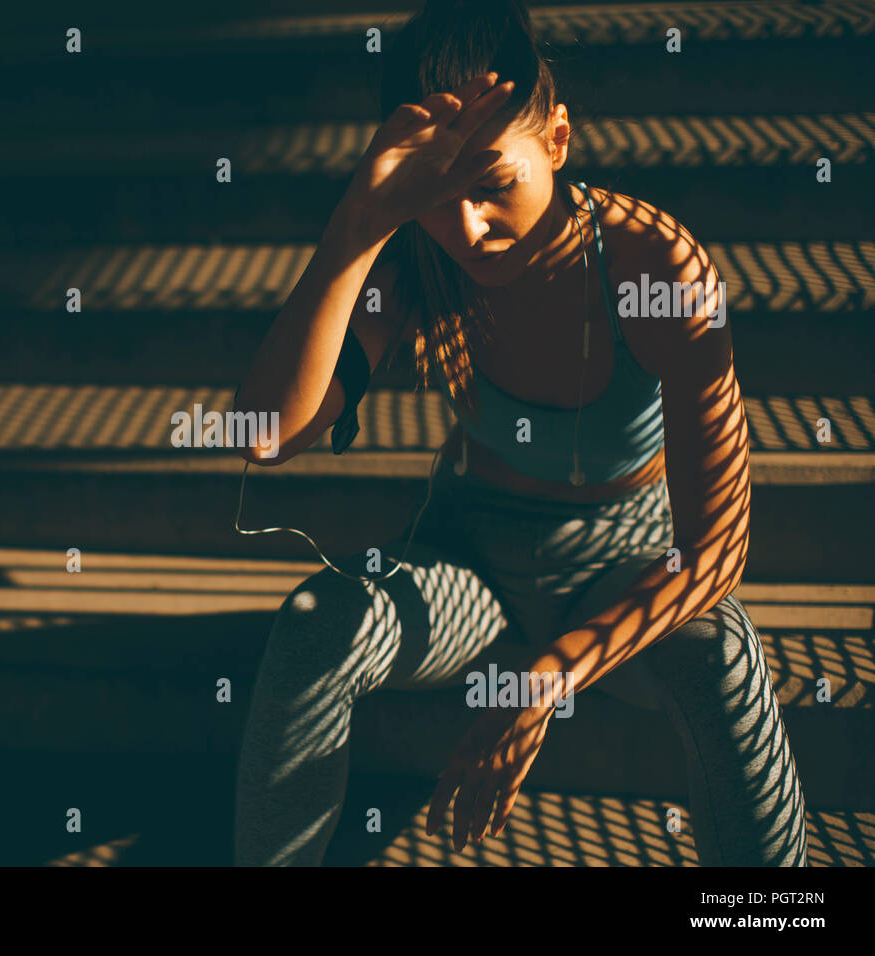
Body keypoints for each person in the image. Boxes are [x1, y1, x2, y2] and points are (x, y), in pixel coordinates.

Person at [230, 0, 807, 866]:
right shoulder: (418, 261)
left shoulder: (653, 264)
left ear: (560, 141)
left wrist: (546, 680)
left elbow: (717, 548)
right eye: (436, 196)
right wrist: (360, 223)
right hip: (470, 560)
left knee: (724, 657)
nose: (467, 229)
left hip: (624, 560)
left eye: (493, 183)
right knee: (320, 621)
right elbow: (264, 435)